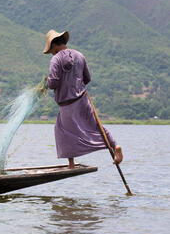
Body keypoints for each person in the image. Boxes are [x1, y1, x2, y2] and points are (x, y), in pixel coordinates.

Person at [43, 29, 123, 169]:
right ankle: (115, 146)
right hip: (83, 99)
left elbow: (53, 82)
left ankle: (71, 164)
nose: (53, 52)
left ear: (54, 45)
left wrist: (47, 81)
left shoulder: (55, 59)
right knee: (96, 126)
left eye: (52, 49)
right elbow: (88, 78)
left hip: (67, 104)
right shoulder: (79, 55)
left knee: (62, 131)